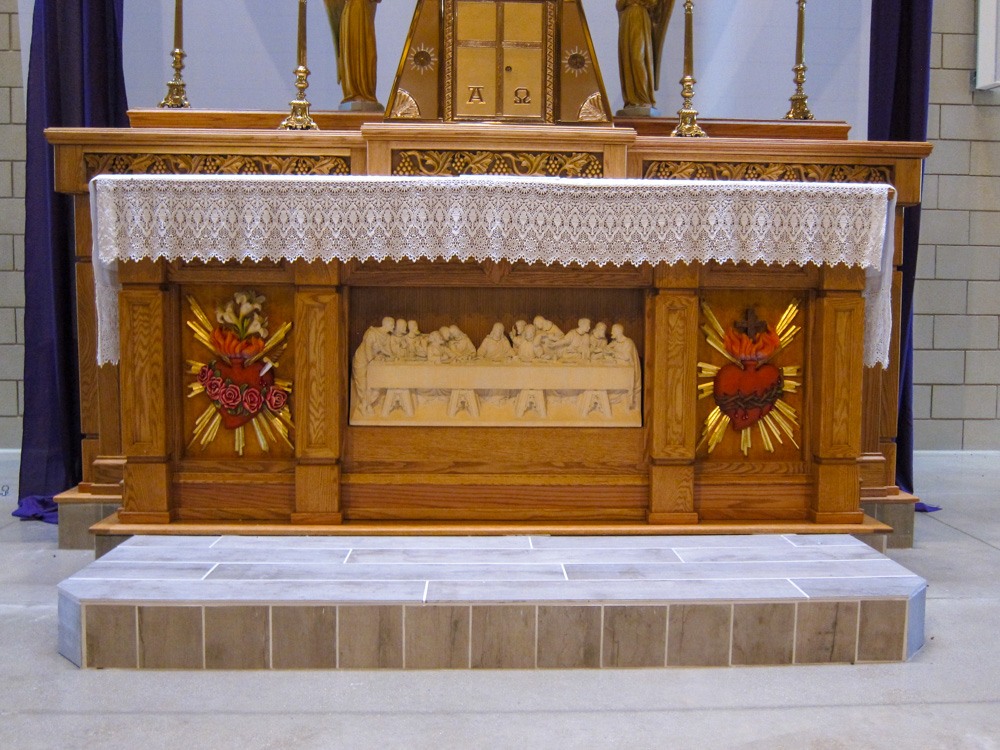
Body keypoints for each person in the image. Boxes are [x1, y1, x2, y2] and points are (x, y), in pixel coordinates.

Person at [324, 0, 383, 111]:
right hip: (351, 13)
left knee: (367, 54)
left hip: (363, 13)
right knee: (353, 52)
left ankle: (366, 92)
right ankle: (354, 92)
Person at [616, 0, 673, 112]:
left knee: (638, 58)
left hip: (640, 17)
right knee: (627, 60)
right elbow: (619, 5)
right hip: (627, 19)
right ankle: (632, 100)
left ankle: (644, 98)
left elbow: (653, 3)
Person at [351, 316, 393, 416]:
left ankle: (365, 404)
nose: (393, 327)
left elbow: (386, 350)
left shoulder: (387, 336)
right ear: (386, 325)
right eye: (392, 325)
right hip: (361, 361)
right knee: (363, 385)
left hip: (373, 363)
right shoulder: (372, 333)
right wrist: (373, 360)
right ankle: (366, 406)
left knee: (375, 384)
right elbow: (367, 349)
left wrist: (392, 356)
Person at [609, 323, 642, 409]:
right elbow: (608, 348)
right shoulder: (616, 342)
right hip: (619, 370)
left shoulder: (628, 342)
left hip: (627, 373)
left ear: (618, 332)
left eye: (613, 331)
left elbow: (626, 357)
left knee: (613, 383)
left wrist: (613, 353)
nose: (611, 332)